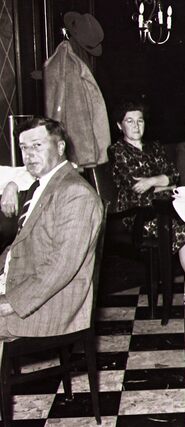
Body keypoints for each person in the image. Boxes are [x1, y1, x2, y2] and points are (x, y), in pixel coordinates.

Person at [107, 101, 185, 312]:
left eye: (140, 121)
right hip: (139, 213)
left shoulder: (154, 147)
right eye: (130, 121)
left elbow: (174, 175)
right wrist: (163, 183)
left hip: (166, 209)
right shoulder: (117, 150)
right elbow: (135, 187)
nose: (136, 126)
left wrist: (152, 181)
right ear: (120, 126)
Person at [0, 117, 102, 358]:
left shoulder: (75, 193)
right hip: (27, 287)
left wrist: (10, 302)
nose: (29, 155)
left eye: (37, 145)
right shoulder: (42, 185)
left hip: (52, 305)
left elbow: (62, 265)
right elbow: (20, 246)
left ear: (60, 146)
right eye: (24, 147)